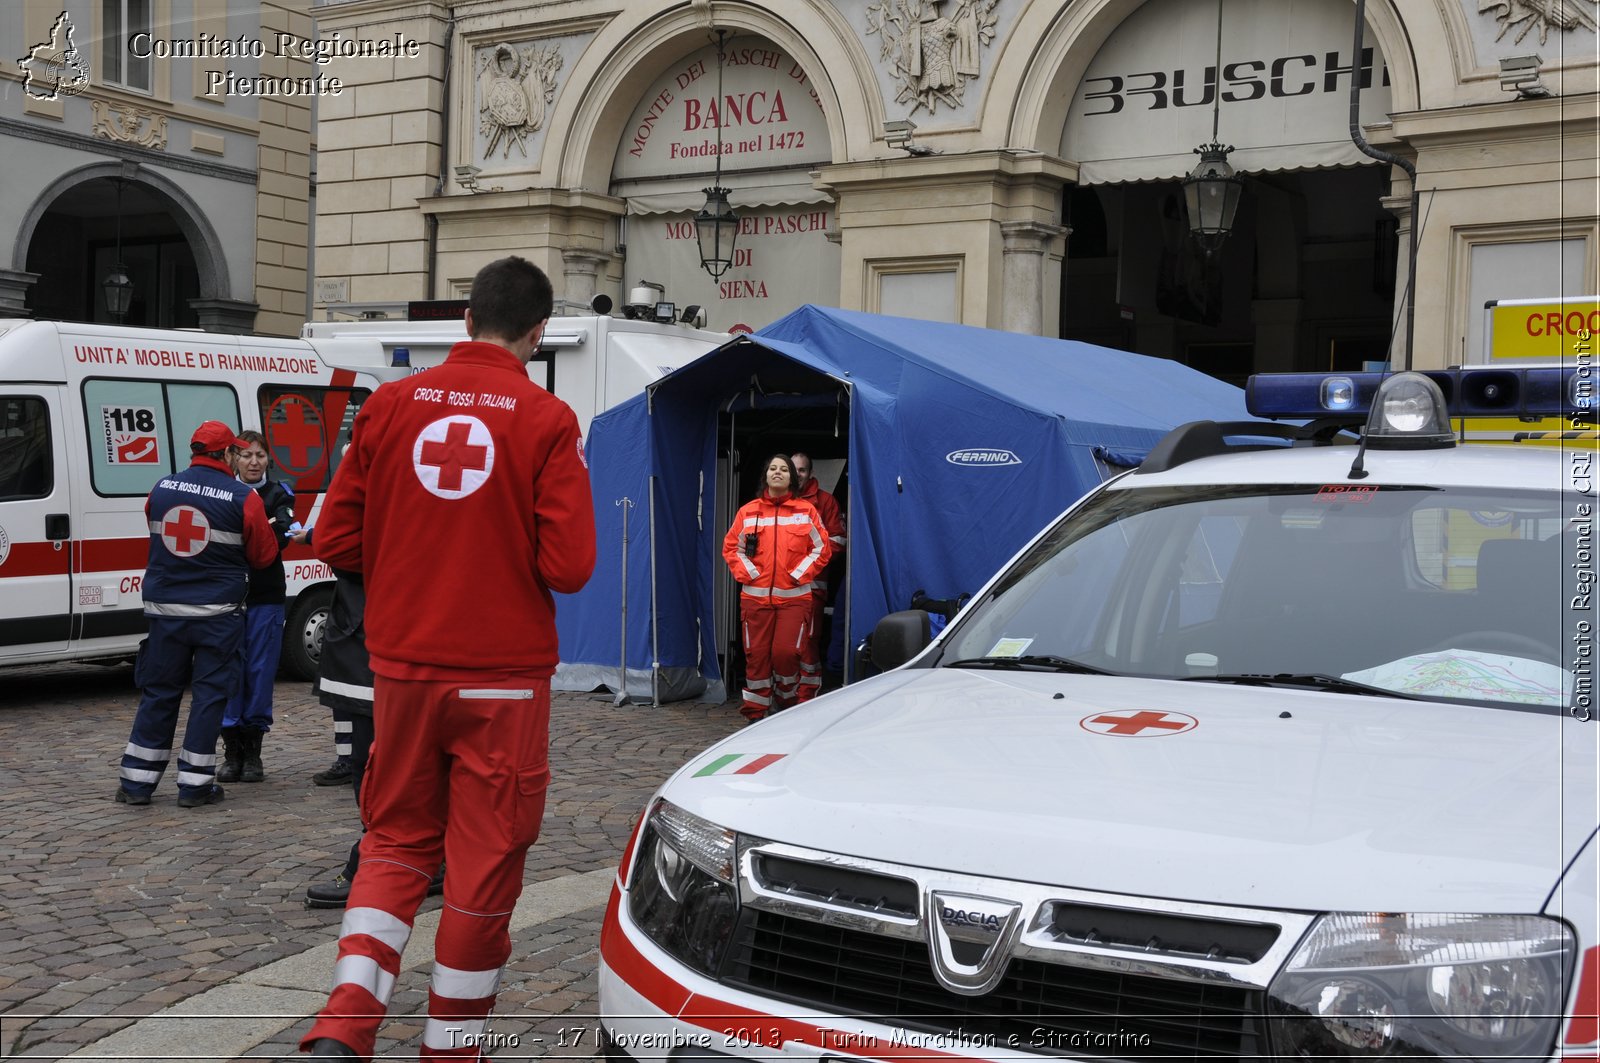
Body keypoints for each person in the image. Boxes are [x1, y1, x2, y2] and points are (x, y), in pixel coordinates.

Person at [298, 255, 596, 1060]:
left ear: (465, 320)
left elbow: (334, 538)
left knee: (394, 843)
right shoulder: (545, 419)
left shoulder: (390, 405)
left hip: (403, 670)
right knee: (484, 859)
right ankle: (452, 1045)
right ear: (537, 335)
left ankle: (345, 1021)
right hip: (502, 682)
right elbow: (570, 566)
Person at [115, 420, 277, 808]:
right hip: (217, 615)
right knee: (208, 697)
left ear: (194, 450)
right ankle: (195, 786)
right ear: (227, 454)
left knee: (158, 693)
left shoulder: (162, 488)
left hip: (165, 613)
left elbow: (156, 531)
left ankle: (136, 784)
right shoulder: (243, 497)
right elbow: (264, 556)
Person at [293, 523, 444, 910]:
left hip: (370, 641)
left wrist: (315, 535)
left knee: (371, 761)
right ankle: (430, 857)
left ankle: (377, 860)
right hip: (407, 634)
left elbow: (338, 542)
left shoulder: (378, 482)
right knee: (411, 757)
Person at [721, 454, 832, 723]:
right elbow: (732, 548)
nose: (777, 472)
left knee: (786, 655)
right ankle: (755, 715)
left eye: (783, 469)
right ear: (766, 476)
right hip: (755, 602)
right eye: (772, 468)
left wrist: (796, 575)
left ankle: (786, 702)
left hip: (794, 602)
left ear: (792, 478)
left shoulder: (806, 512)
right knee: (756, 658)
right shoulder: (748, 512)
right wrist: (753, 575)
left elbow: (821, 548)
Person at [217, 430, 296, 784]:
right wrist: (259, 530)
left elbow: (279, 539)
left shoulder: (279, 493)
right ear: (233, 458)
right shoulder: (221, 491)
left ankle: (253, 753)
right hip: (228, 598)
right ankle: (231, 752)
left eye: (260, 455)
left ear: (268, 459)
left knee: (260, 672)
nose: (253, 462)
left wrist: (249, 535)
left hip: (265, 596)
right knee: (229, 671)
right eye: (246, 455)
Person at [789, 452, 845, 697]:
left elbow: (838, 541)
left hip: (811, 585)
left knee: (808, 641)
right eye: (794, 469)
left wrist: (804, 563)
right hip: (778, 587)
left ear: (810, 473)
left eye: (802, 470)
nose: (797, 474)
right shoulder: (772, 501)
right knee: (782, 643)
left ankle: (807, 695)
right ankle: (786, 693)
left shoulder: (825, 502)